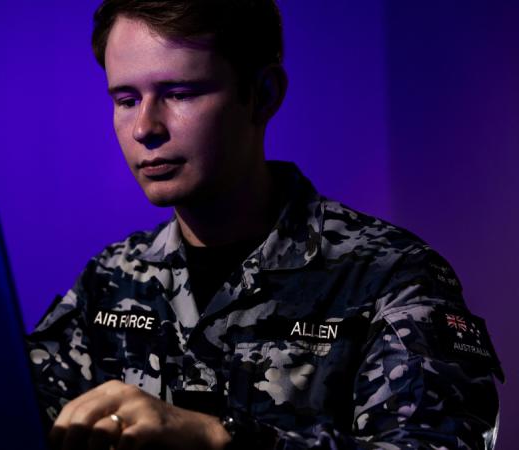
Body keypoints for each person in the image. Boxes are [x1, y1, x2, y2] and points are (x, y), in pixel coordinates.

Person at [25, 1, 503, 449]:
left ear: (263, 95)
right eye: (126, 99)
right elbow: (1, 412)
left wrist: (221, 441)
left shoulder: (391, 277)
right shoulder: (110, 280)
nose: (144, 128)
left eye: (179, 93)